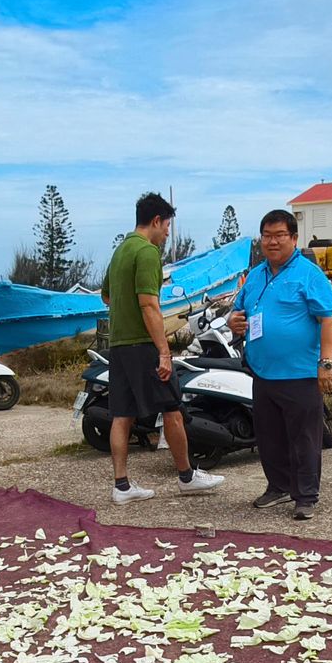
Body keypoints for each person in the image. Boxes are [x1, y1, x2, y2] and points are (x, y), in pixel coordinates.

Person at [100, 193, 223, 504]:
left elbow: (107, 297)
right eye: (167, 226)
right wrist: (164, 352)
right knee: (172, 408)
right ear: (156, 221)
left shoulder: (120, 251)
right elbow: (149, 305)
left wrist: (126, 312)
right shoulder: (147, 252)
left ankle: (121, 486)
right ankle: (187, 476)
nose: (167, 233)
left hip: (119, 346)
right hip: (143, 346)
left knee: (122, 414)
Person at [227, 209, 332, 521]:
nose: (272, 242)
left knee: (304, 439)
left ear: (293, 238)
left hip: (300, 374)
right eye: (267, 236)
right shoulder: (256, 276)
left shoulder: (309, 274)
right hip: (263, 372)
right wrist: (233, 321)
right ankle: (278, 487)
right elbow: (238, 312)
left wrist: (326, 364)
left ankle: (305, 496)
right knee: (269, 438)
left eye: (279, 235)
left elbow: (328, 319)